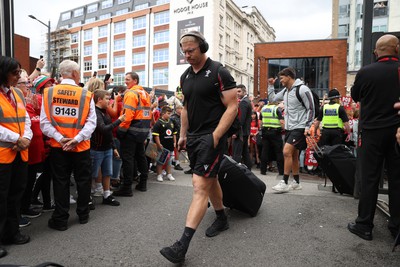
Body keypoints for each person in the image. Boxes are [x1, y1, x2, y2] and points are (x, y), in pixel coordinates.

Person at [160, 31, 238, 264]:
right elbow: (185, 108)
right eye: (183, 51)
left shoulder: (218, 71)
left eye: (191, 50)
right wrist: (183, 135)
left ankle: (181, 246)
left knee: (199, 185)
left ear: (202, 47)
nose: (187, 55)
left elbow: (232, 107)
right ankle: (222, 218)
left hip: (210, 137)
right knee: (210, 179)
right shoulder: (185, 76)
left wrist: (215, 136)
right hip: (193, 138)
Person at [348, 34, 400, 241]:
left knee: (369, 178)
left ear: (376, 52)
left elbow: (355, 95)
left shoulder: (366, 72)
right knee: (397, 179)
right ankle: (396, 226)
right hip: (397, 133)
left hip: (371, 132)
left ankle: (364, 225)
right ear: (396, 48)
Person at [40, 60, 96, 231]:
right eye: (79, 72)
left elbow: (44, 123)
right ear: (74, 74)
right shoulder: (85, 94)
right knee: (83, 181)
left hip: (59, 147)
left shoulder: (49, 93)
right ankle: (83, 214)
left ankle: (61, 219)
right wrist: (77, 139)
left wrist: (61, 138)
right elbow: (91, 123)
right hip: (81, 147)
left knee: (60, 182)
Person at [0, 56, 33, 258]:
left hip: (20, 153)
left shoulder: (17, 94)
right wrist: (17, 138)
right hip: (3, 155)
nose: (18, 76)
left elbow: (26, 119)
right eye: (15, 72)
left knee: (15, 196)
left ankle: (12, 232)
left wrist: (26, 137)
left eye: (20, 72)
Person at [268, 67, 315, 193]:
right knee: (294, 155)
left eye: (282, 78)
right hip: (289, 128)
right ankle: (296, 182)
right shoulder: (286, 91)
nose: (281, 81)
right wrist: (271, 86)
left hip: (300, 127)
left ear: (289, 76)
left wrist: (307, 126)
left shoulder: (302, 89)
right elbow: (272, 99)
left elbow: (311, 108)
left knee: (286, 152)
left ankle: (284, 181)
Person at [113, 72, 152, 196]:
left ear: (135, 81)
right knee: (140, 156)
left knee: (128, 158)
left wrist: (121, 130)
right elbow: (147, 113)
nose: (125, 81)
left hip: (131, 130)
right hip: (142, 131)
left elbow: (128, 115)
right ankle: (143, 183)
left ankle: (127, 187)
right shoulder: (145, 94)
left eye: (128, 79)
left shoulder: (131, 93)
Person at [91, 89, 125, 206]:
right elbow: (103, 129)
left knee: (107, 173)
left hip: (107, 148)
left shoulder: (105, 112)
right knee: (92, 174)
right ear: (99, 100)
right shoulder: (95, 112)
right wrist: (119, 121)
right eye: (107, 98)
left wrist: (113, 147)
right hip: (96, 149)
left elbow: (109, 133)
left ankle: (107, 195)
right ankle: (88, 198)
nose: (109, 101)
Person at [259, 101, 284, 176]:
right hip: (275, 133)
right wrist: (284, 129)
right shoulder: (277, 109)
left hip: (265, 131)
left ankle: (263, 170)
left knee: (264, 151)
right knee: (279, 152)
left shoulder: (263, 108)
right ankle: (281, 171)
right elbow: (282, 122)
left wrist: (262, 128)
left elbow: (260, 121)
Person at [152, 106, 177, 182]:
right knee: (160, 160)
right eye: (168, 113)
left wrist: (175, 142)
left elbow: (174, 133)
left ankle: (169, 174)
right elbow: (156, 135)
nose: (170, 115)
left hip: (170, 145)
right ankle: (159, 174)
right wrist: (159, 144)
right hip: (162, 145)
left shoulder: (171, 122)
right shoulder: (158, 123)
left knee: (169, 160)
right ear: (163, 113)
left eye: (170, 113)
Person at [231, 84, 252, 169]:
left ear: (244, 92)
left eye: (239, 91)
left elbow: (241, 120)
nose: (237, 94)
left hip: (241, 133)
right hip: (244, 132)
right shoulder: (246, 101)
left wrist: (235, 132)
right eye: (236, 92)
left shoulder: (244, 102)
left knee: (236, 153)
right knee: (245, 153)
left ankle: (235, 171)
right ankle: (248, 171)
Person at [171, 105, 184, 171]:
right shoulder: (173, 118)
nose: (182, 110)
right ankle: (176, 163)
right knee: (176, 150)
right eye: (181, 109)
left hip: (180, 135)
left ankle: (175, 161)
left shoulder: (181, 117)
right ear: (177, 109)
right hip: (175, 136)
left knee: (178, 150)